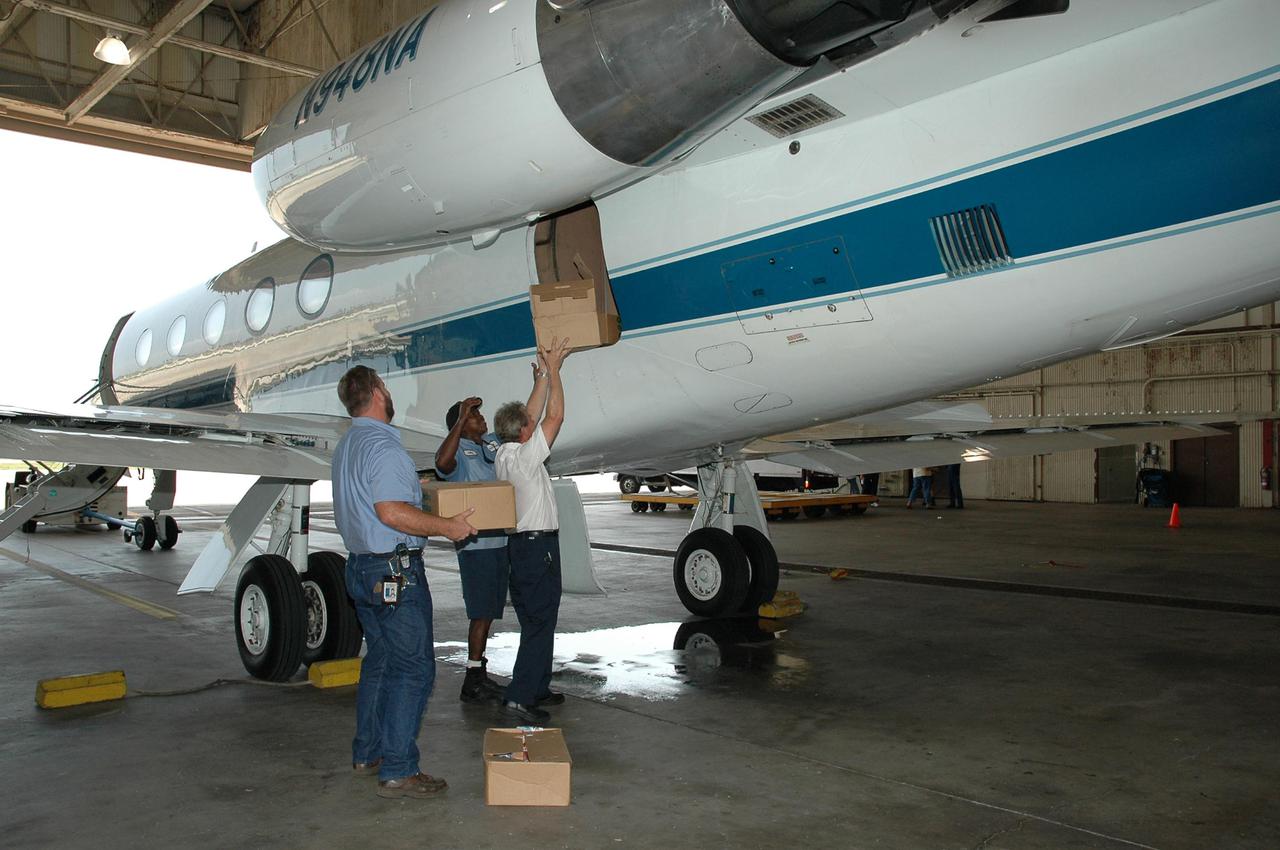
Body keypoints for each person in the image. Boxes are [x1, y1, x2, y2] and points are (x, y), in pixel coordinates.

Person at [331, 366, 476, 800]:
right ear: (377, 392)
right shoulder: (384, 446)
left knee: (380, 660)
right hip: (394, 573)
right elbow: (391, 511)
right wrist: (448, 526)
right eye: (385, 386)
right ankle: (398, 769)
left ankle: (368, 752)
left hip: (361, 568)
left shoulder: (349, 444)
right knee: (413, 669)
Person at [493, 338, 571, 725]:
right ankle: (520, 696)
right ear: (524, 432)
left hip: (521, 548)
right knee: (540, 621)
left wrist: (541, 377)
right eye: (529, 424)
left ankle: (537, 686)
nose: (533, 423)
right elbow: (554, 417)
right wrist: (555, 371)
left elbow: (533, 414)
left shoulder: (504, 454)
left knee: (535, 620)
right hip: (538, 549)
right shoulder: (525, 459)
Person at [433, 396, 509, 703]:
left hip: (501, 542)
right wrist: (461, 418)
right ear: (462, 424)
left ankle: (479, 673)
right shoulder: (459, 453)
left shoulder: (490, 444)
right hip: (477, 547)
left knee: (489, 612)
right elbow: (441, 464)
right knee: (480, 613)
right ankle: (473, 678)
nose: (482, 419)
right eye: (475, 416)